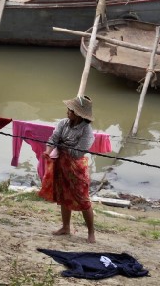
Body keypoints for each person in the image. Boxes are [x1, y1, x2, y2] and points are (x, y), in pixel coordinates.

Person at [39, 95, 97, 243]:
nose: (67, 112)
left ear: (78, 114)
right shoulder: (63, 123)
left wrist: (62, 145)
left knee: (83, 199)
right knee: (63, 195)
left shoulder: (87, 131)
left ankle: (91, 232)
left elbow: (78, 153)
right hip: (61, 164)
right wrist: (48, 151)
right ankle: (66, 227)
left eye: (70, 110)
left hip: (76, 168)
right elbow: (54, 138)